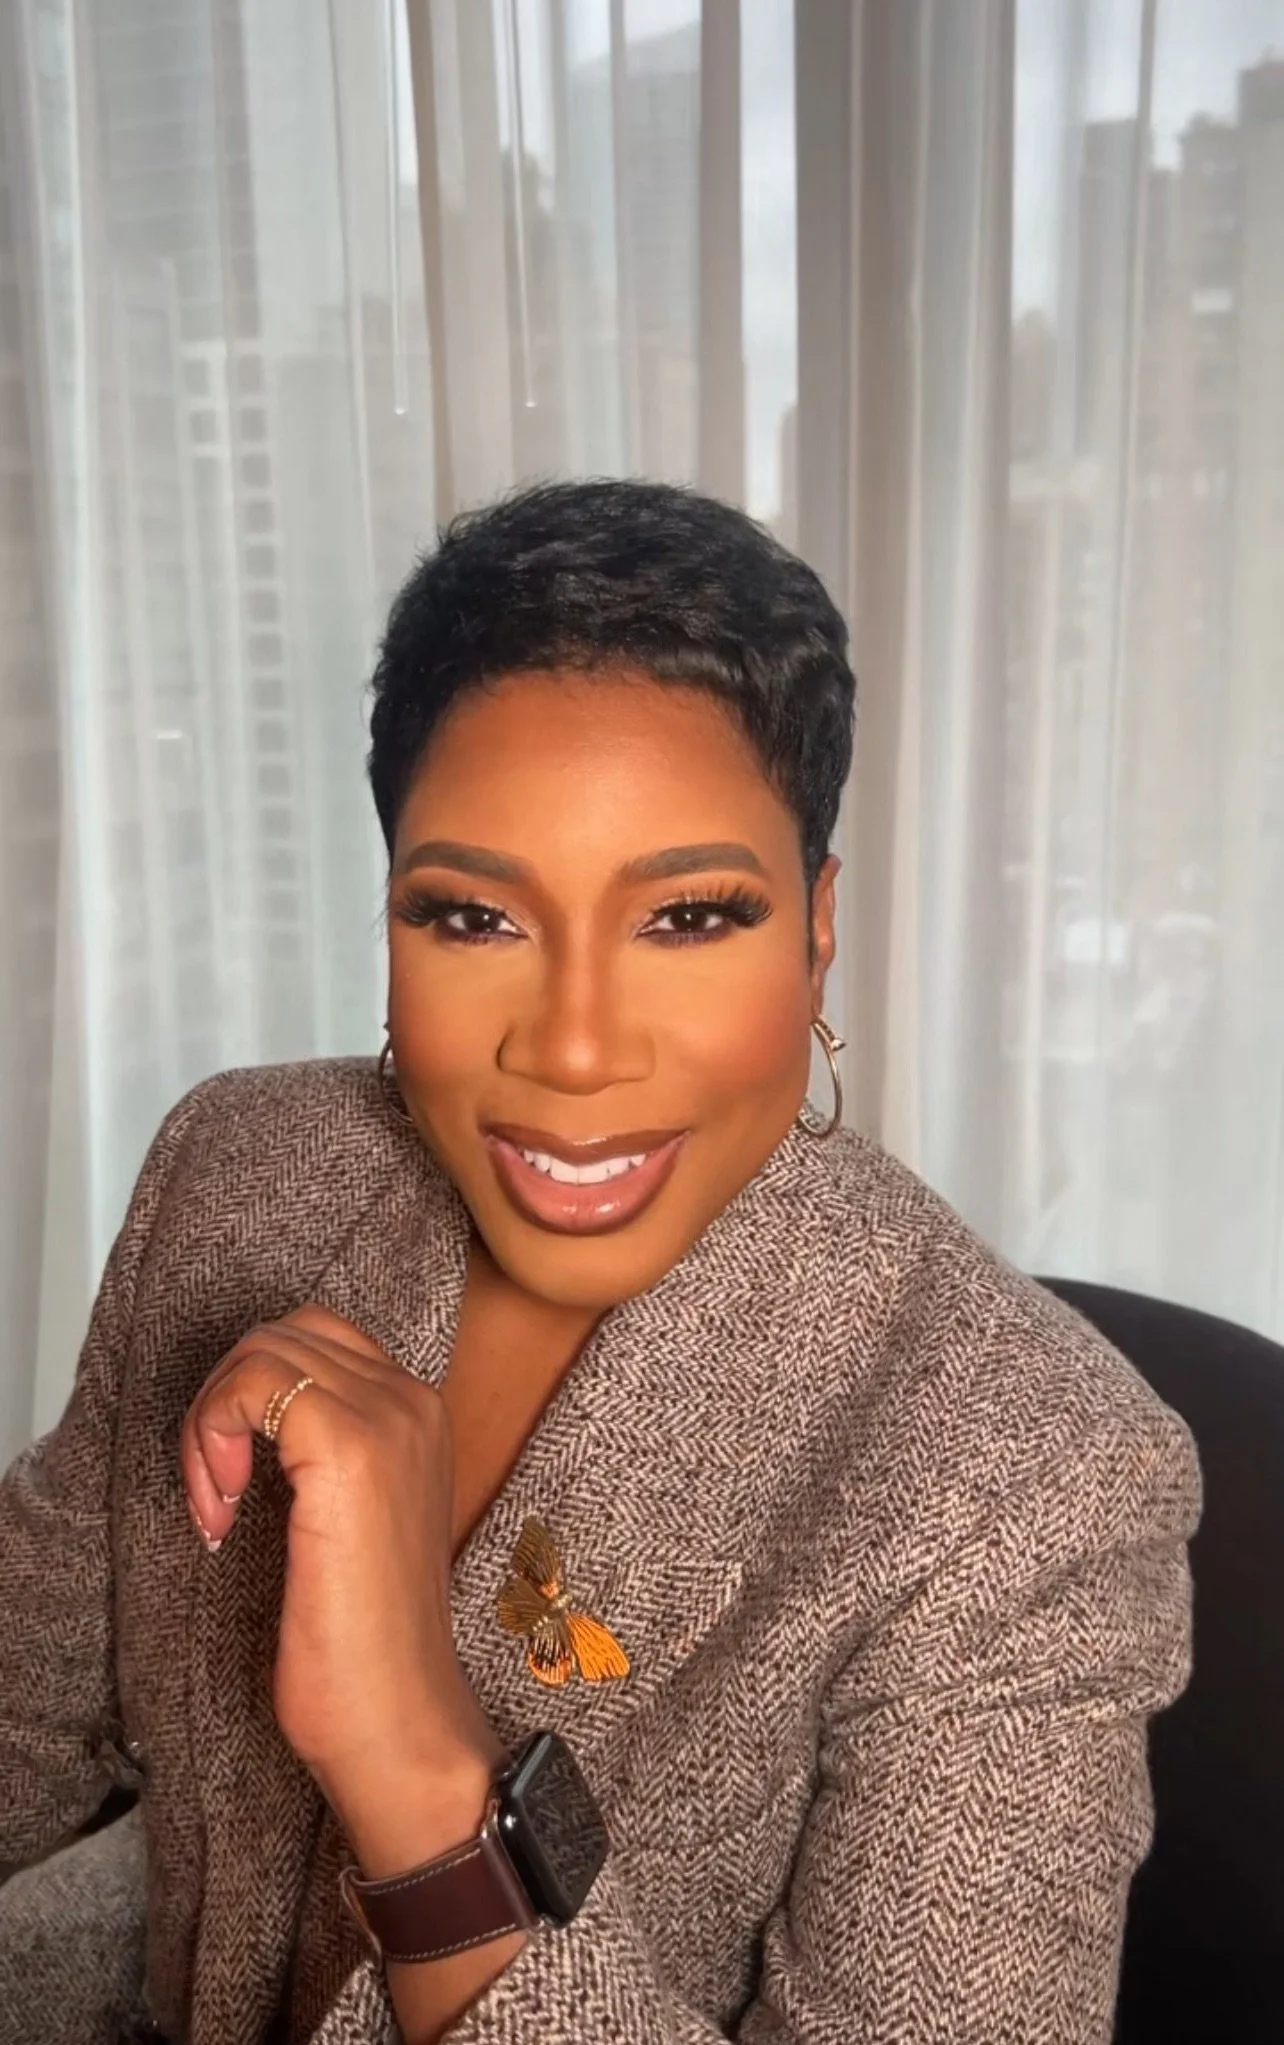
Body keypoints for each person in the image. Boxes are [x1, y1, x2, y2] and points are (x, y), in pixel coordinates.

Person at [0, 479, 1199, 2045]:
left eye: (691, 917)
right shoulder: (242, 1172)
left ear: (818, 931)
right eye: (474, 917)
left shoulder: (1028, 1482)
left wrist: (430, 1789)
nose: (571, 1050)